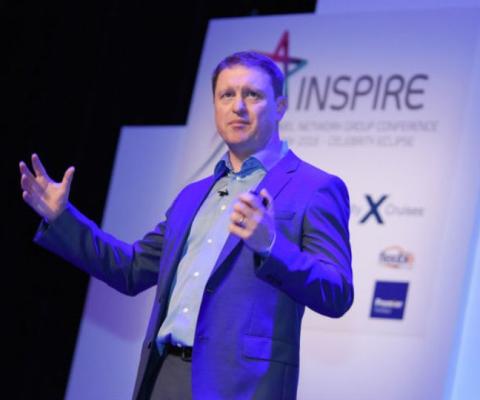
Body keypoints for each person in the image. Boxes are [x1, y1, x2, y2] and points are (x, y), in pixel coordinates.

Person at [19, 51, 353, 400]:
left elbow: (337, 292)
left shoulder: (315, 187)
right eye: (227, 95)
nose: (238, 106)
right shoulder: (193, 195)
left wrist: (270, 245)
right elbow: (131, 269)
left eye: (252, 95)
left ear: (280, 106)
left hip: (243, 388)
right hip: (164, 376)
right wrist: (62, 218)